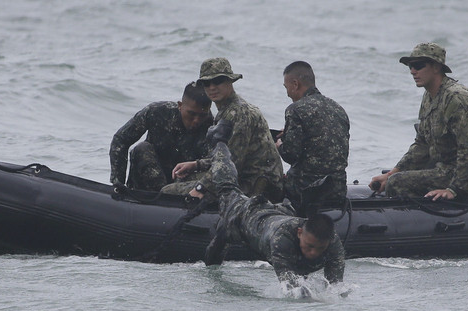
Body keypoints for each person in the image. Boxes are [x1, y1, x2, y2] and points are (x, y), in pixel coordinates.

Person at [201, 119, 344, 295]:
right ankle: (219, 140)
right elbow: (290, 287)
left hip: (280, 213)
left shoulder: (333, 242)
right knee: (227, 188)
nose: (313, 253)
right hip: (247, 217)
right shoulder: (280, 241)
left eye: (319, 248)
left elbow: (336, 286)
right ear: (300, 233)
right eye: (309, 246)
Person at [369, 42, 468, 201]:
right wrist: (391, 174)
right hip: (446, 170)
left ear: (436, 67)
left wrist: (453, 190)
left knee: (397, 184)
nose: (412, 71)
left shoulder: (456, 98)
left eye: (418, 65)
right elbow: (422, 145)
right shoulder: (429, 97)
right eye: (410, 66)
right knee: (394, 179)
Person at [162, 58, 284, 202]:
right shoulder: (228, 110)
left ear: (230, 81)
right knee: (183, 179)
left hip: (257, 187)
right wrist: (197, 164)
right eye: (207, 83)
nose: (212, 87)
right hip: (247, 178)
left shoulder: (238, 112)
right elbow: (225, 156)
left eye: (218, 81)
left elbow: (232, 162)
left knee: (167, 191)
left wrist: (201, 188)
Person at [109, 82, 212, 191]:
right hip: (147, 178)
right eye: (191, 114)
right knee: (142, 148)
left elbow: (215, 161)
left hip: (182, 186)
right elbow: (120, 140)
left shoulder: (211, 126)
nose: (196, 120)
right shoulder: (157, 112)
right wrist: (118, 182)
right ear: (180, 105)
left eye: (202, 115)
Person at [276, 61, 350, 208]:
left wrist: (279, 145)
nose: (287, 93)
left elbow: (290, 155)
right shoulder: (338, 108)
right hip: (337, 189)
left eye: (287, 87)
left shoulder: (295, 109)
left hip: (307, 190)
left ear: (295, 84)